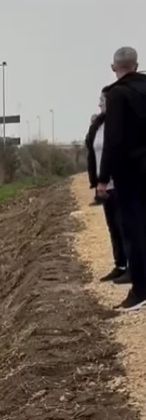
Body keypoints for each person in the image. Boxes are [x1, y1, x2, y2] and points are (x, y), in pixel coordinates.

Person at [98, 46, 146, 310]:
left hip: (130, 174)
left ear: (114, 67)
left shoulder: (117, 95)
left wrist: (103, 179)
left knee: (135, 230)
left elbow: (113, 140)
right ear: (137, 65)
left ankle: (140, 291)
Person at [89, 97, 132, 284]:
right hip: (104, 184)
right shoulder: (99, 125)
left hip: (119, 183)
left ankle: (133, 267)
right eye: (100, 102)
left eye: (103, 102)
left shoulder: (119, 124)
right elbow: (92, 150)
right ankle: (120, 264)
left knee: (125, 227)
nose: (100, 105)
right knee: (113, 227)